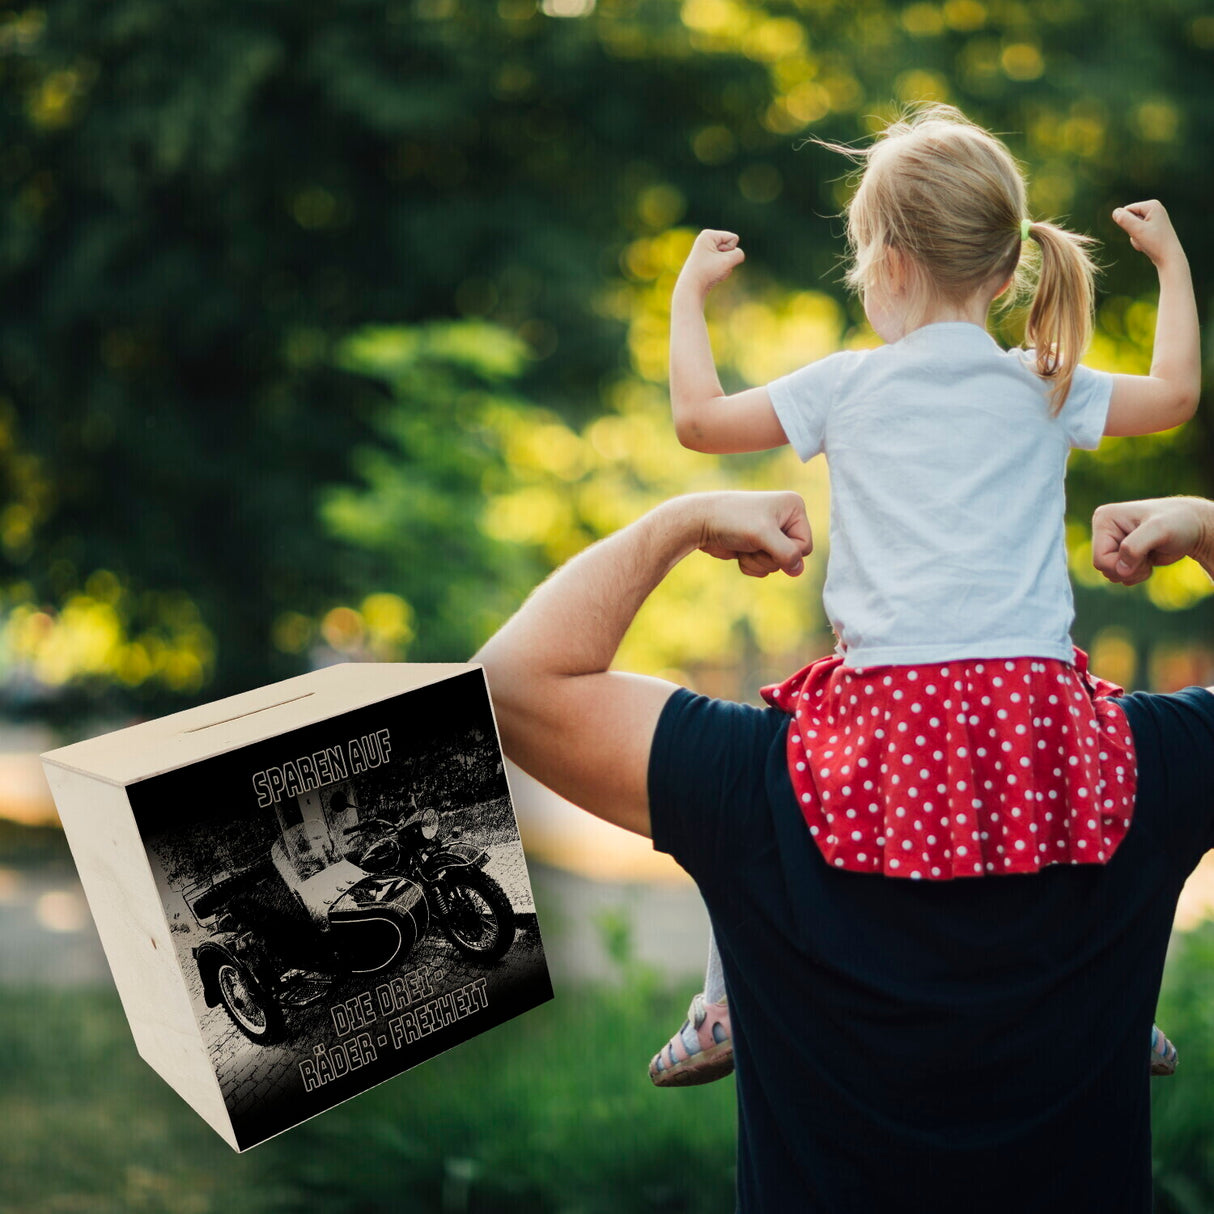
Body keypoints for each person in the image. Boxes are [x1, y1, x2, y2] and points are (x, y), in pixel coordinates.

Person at [474, 489, 1214, 1214]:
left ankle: (718, 1005)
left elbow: (508, 683)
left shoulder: (762, 776)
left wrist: (683, 522)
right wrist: (1207, 529)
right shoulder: (1137, 768)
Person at [653, 103, 1199, 1084]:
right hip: (1031, 696)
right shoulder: (1046, 381)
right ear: (1006, 267)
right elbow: (1175, 395)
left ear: (888, 264)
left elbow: (697, 420)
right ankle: (1121, 1004)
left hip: (888, 702)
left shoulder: (843, 385)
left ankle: (723, 1004)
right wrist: (1171, 266)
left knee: (752, 793)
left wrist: (687, 293)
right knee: (1105, 790)